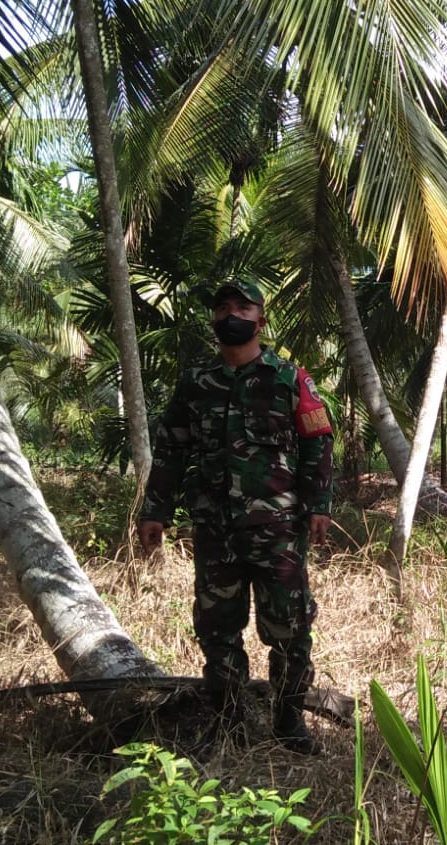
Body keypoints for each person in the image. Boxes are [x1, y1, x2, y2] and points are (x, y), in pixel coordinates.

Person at [137, 279, 335, 753]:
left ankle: (288, 722)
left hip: (277, 533)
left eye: (243, 307)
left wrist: (319, 505)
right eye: (222, 307)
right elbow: (170, 449)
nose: (232, 314)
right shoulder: (195, 384)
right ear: (212, 320)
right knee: (217, 629)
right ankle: (229, 723)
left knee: (290, 628)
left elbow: (318, 442)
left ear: (260, 319)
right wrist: (155, 511)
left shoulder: (289, 379)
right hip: (214, 531)